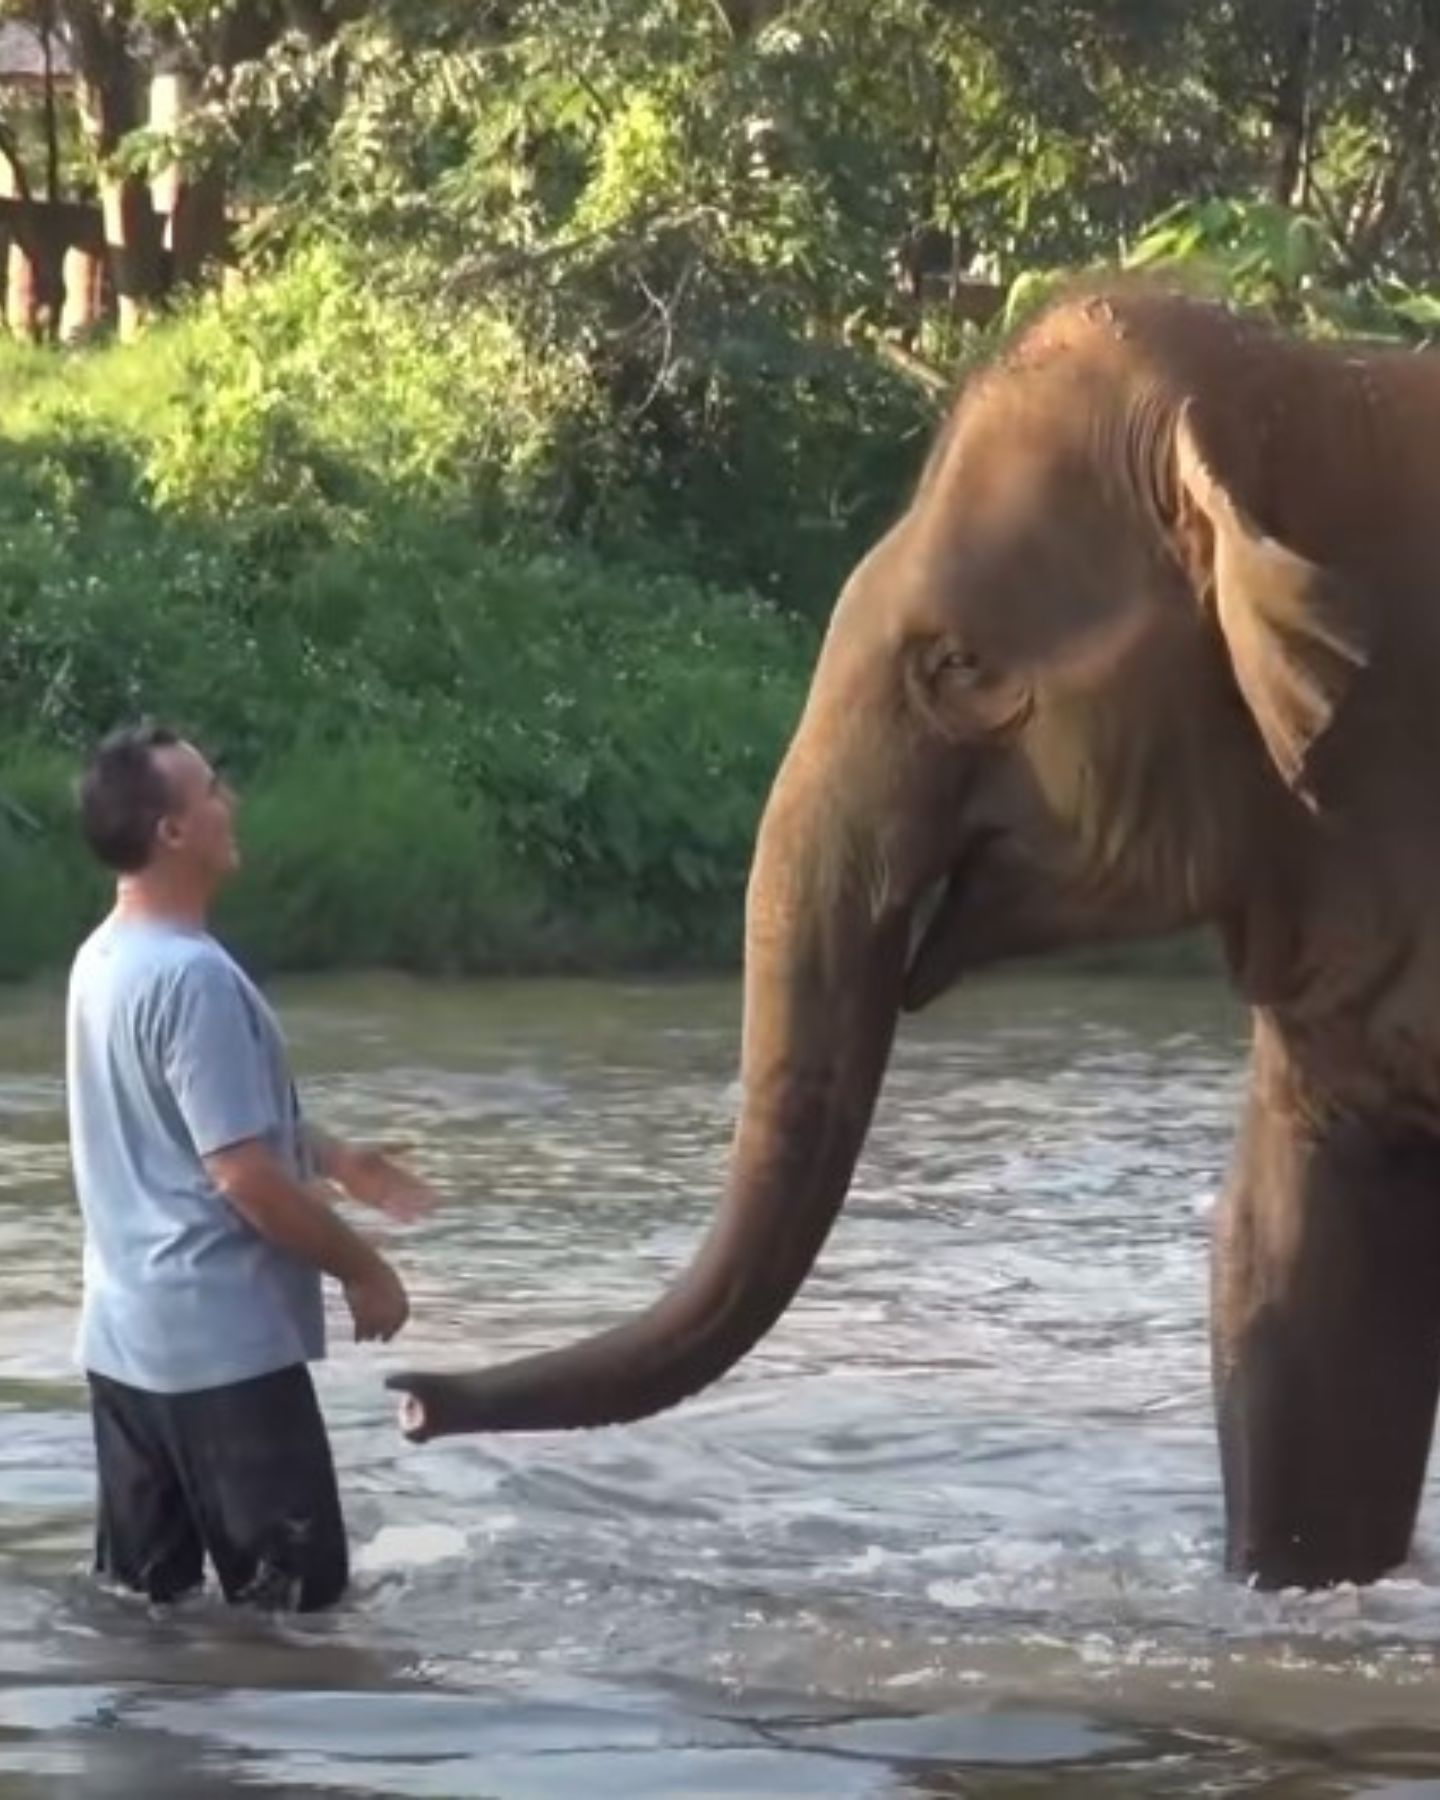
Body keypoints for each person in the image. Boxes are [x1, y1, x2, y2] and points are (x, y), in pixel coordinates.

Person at [66, 723, 435, 1613]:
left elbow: (188, 1122)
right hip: (222, 1359)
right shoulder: (193, 979)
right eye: (213, 790)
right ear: (173, 833)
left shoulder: (102, 958)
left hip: (125, 1348)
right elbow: (242, 1177)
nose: (231, 804)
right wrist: (366, 1269)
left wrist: (334, 1155)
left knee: (146, 1615)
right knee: (298, 1620)